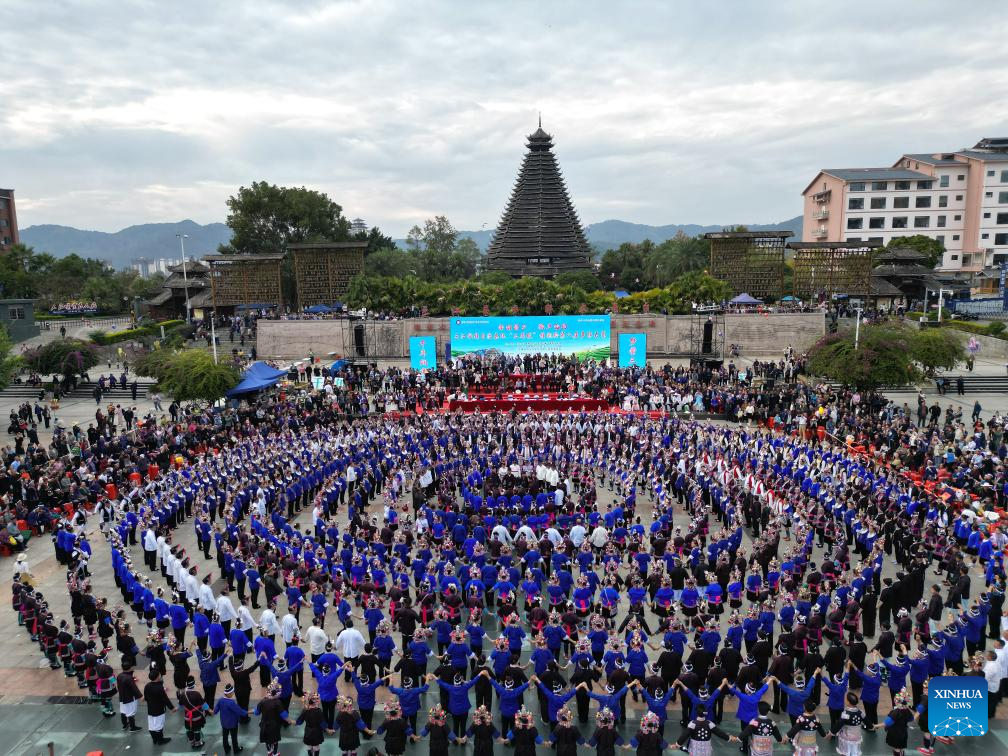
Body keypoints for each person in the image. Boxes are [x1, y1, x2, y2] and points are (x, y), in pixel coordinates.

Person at [254, 680, 293, 756]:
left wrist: (248, 712)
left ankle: (269, 751)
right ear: (277, 693)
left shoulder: (262, 702)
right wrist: (290, 721)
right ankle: (275, 753)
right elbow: (284, 715)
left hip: (264, 724)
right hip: (274, 726)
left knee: (267, 739)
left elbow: (256, 712)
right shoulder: (278, 703)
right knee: (275, 740)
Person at [876, 691, 917, 756]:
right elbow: (911, 719)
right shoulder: (907, 711)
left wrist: (875, 726)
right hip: (903, 732)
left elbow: (887, 723)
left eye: (895, 699)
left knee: (896, 748)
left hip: (895, 733)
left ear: (897, 702)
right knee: (901, 747)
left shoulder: (895, 712)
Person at [142, 667, 175, 746]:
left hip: (150, 709)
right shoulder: (160, 688)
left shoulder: (147, 686)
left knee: (152, 725)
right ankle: (160, 740)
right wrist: (172, 708)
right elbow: (165, 699)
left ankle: (154, 739)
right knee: (159, 725)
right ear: (157, 677)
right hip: (159, 709)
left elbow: (146, 698)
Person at [213, 683, 248, 755]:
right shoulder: (231, 702)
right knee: (234, 737)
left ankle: (227, 748)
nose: (233, 693)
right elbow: (239, 711)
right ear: (229, 693)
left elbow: (215, 711)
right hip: (233, 723)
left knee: (225, 737)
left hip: (224, 723)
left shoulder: (220, 700)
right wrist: (248, 712)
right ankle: (236, 749)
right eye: (232, 692)